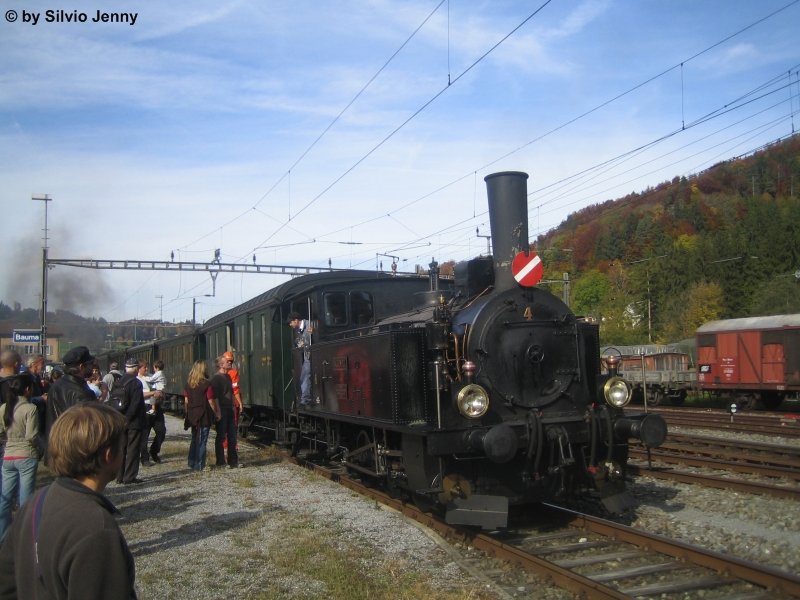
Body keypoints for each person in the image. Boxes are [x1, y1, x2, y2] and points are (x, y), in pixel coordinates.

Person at [0, 403, 136, 599]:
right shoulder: (97, 528)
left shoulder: (36, 501)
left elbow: (6, 583)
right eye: (122, 448)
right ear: (108, 456)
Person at [0, 373, 44, 543]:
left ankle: (3, 536)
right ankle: (25, 537)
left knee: (5, 499)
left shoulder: (4, 408)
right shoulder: (30, 408)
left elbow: (1, 432)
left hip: (8, 455)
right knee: (25, 500)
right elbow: (31, 435)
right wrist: (41, 447)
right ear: (27, 389)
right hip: (26, 454)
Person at [45, 346, 96, 439]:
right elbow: (88, 426)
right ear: (81, 367)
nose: (93, 367)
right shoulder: (82, 393)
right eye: (91, 363)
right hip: (72, 444)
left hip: (55, 441)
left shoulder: (56, 385)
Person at [183, 360, 220, 471]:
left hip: (192, 415)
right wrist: (216, 412)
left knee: (194, 439)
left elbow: (186, 401)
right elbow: (210, 400)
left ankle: (191, 462)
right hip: (204, 415)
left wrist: (187, 414)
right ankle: (199, 464)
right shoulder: (207, 384)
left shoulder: (188, 384)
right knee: (202, 440)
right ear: (203, 370)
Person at [116, 358, 146, 485]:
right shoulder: (136, 383)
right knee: (132, 449)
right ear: (135, 369)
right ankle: (129, 476)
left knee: (121, 449)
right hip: (133, 422)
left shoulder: (119, 381)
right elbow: (135, 404)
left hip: (119, 419)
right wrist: (128, 418)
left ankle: (119, 476)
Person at [210, 354, 241, 468]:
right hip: (222, 409)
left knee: (232, 436)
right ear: (221, 364)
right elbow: (215, 397)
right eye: (227, 361)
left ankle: (233, 461)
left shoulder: (228, 376)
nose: (230, 363)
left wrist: (233, 405)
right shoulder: (216, 378)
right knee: (221, 436)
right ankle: (220, 462)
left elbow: (231, 392)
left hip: (229, 408)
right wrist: (217, 412)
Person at [141, 360, 166, 464]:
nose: (147, 369)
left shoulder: (153, 376)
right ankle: (144, 458)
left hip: (157, 406)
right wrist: (153, 393)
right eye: (144, 367)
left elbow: (160, 388)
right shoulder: (137, 379)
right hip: (144, 406)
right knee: (145, 434)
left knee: (161, 431)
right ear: (139, 369)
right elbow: (139, 394)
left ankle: (154, 451)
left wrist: (161, 394)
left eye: (147, 367)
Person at [287, 311, 313, 406]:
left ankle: (305, 399)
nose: (290, 325)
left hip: (311, 355)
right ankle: (305, 398)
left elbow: (312, 339)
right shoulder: (299, 330)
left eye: (291, 322)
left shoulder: (309, 325)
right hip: (307, 355)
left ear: (296, 320)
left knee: (305, 376)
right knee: (303, 376)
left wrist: (304, 343)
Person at [221, 351, 242, 458]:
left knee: (224, 427)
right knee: (233, 427)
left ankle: (225, 450)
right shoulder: (234, 373)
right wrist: (240, 403)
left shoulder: (219, 374)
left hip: (223, 404)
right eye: (229, 361)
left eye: (231, 361)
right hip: (233, 404)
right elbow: (235, 389)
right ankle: (232, 450)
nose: (230, 363)